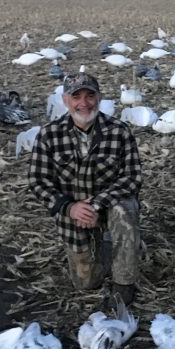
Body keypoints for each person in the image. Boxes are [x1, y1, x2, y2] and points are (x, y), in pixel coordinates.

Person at [29, 72, 142, 304]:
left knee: (124, 208)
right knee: (86, 284)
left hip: (108, 207)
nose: (84, 103)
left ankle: (124, 282)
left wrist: (96, 204)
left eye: (90, 96)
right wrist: (68, 207)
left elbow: (132, 177)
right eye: (76, 96)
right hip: (73, 216)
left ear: (99, 98)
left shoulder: (119, 131)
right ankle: (106, 246)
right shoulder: (49, 135)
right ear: (65, 100)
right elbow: (38, 181)